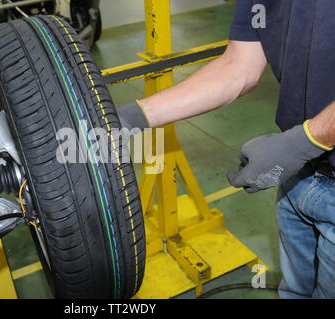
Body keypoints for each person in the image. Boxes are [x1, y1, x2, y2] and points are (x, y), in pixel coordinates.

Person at [116, 0, 335, 298]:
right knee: (295, 292)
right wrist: (127, 118)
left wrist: (305, 140)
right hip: (298, 175)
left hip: (308, 160)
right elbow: (239, 65)